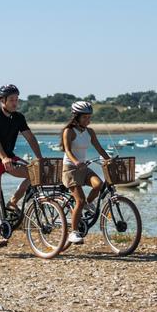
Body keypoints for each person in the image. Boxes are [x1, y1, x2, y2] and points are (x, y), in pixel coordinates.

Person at [0, 84, 44, 249]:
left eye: (17, 99)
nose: (15, 103)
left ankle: (13, 202)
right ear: (2, 100)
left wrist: (40, 158)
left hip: (8, 157)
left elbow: (30, 137)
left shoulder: (18, 117)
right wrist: (3, 158)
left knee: (33, 173)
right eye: (12, 100)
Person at [61, 100, 112, 245]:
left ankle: (87, 205)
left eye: (89, 117)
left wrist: (109, 160)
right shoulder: (69, 131)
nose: (88, 120)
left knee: (98, 185)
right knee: (80, 200)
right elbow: (67, 150)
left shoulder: (90, 132)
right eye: (84, 117)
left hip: (83, 168)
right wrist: (76, 162)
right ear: (76, 117)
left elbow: (99, 148)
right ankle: (73, 232)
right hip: (70, 168)